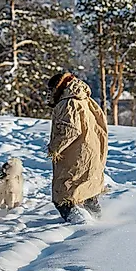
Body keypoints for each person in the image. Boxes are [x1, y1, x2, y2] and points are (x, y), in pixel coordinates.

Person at [47, 71, 108, 221]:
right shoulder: (85, 99)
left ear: (57, 88)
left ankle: (82, 226)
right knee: (87, 192)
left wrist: (54, 148)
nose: (48, 94)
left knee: (64, 197)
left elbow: (71, 130)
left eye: (50, 90)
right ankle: (100, 221)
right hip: (90, 152)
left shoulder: (68, 103)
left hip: (76, 155)